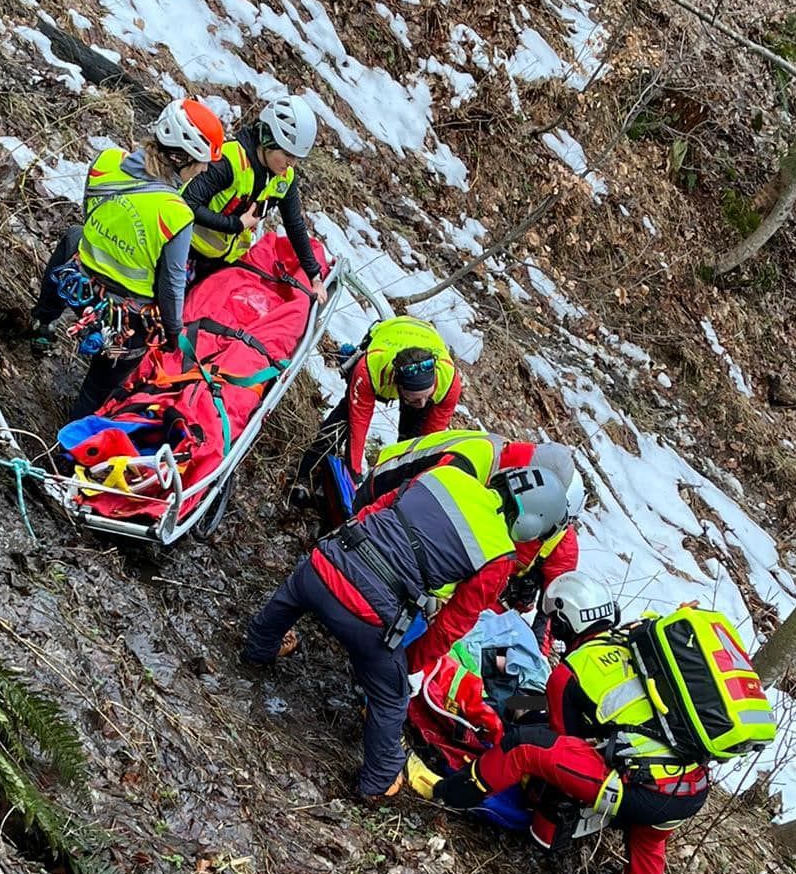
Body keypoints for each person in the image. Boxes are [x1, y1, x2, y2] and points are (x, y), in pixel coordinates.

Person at [242, 461, 568, 800]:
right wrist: (407, 664)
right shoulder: (500, 555)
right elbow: (451, 626)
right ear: (533, 524)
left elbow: (376, 509)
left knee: (292, 593)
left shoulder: (448, 476)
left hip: (322, 565)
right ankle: (379, 780)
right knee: (391, 696)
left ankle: (258, 648)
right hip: (366, 615)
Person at [415, 571, 709, 874]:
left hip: (640, 786)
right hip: (687, 785)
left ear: (566, 620)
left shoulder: (572, 671)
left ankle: (445, 794)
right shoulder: (635, 639)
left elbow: (559, 740)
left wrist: (517, 717)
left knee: (523, 747)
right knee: (649, 844)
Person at [28, 97, 225, 419]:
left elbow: (93, 217)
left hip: (77, 284)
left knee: (74, 236)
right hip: (123, 323)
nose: (204, 169)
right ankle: (69, 450)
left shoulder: (107, 163)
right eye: (201, 162)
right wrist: (174, 336)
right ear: (181, 158)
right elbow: (170, 286)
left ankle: (43, 321)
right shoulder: (175, 214)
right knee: (99, 389)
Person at [354, 431, 584, 613]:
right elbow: (406, 511)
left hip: (391, 509)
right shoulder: (472, 464)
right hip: (379, 487)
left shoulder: (506, 468)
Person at [290, 317, 462, 507]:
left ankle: (389, 495)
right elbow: (358, 426)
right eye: (414, 399)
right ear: (396, 385)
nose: (421, 404)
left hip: (425, 339)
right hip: (388, 337)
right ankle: (305, 475)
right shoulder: (370, 369)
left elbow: (429, 442)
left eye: (426, 398)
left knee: (412, 440)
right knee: (344, 419)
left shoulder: (449, 385)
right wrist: (354, 475)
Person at [182, 94, 328, 303]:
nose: (291, 163)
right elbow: (187, 204)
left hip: (222, 264)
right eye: (288, 154)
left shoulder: (284, 178)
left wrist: (314, 275)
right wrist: (236, 224)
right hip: (187, 252)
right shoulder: (229, 161)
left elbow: (294, 224)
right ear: (268, 139)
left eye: (296, 158)